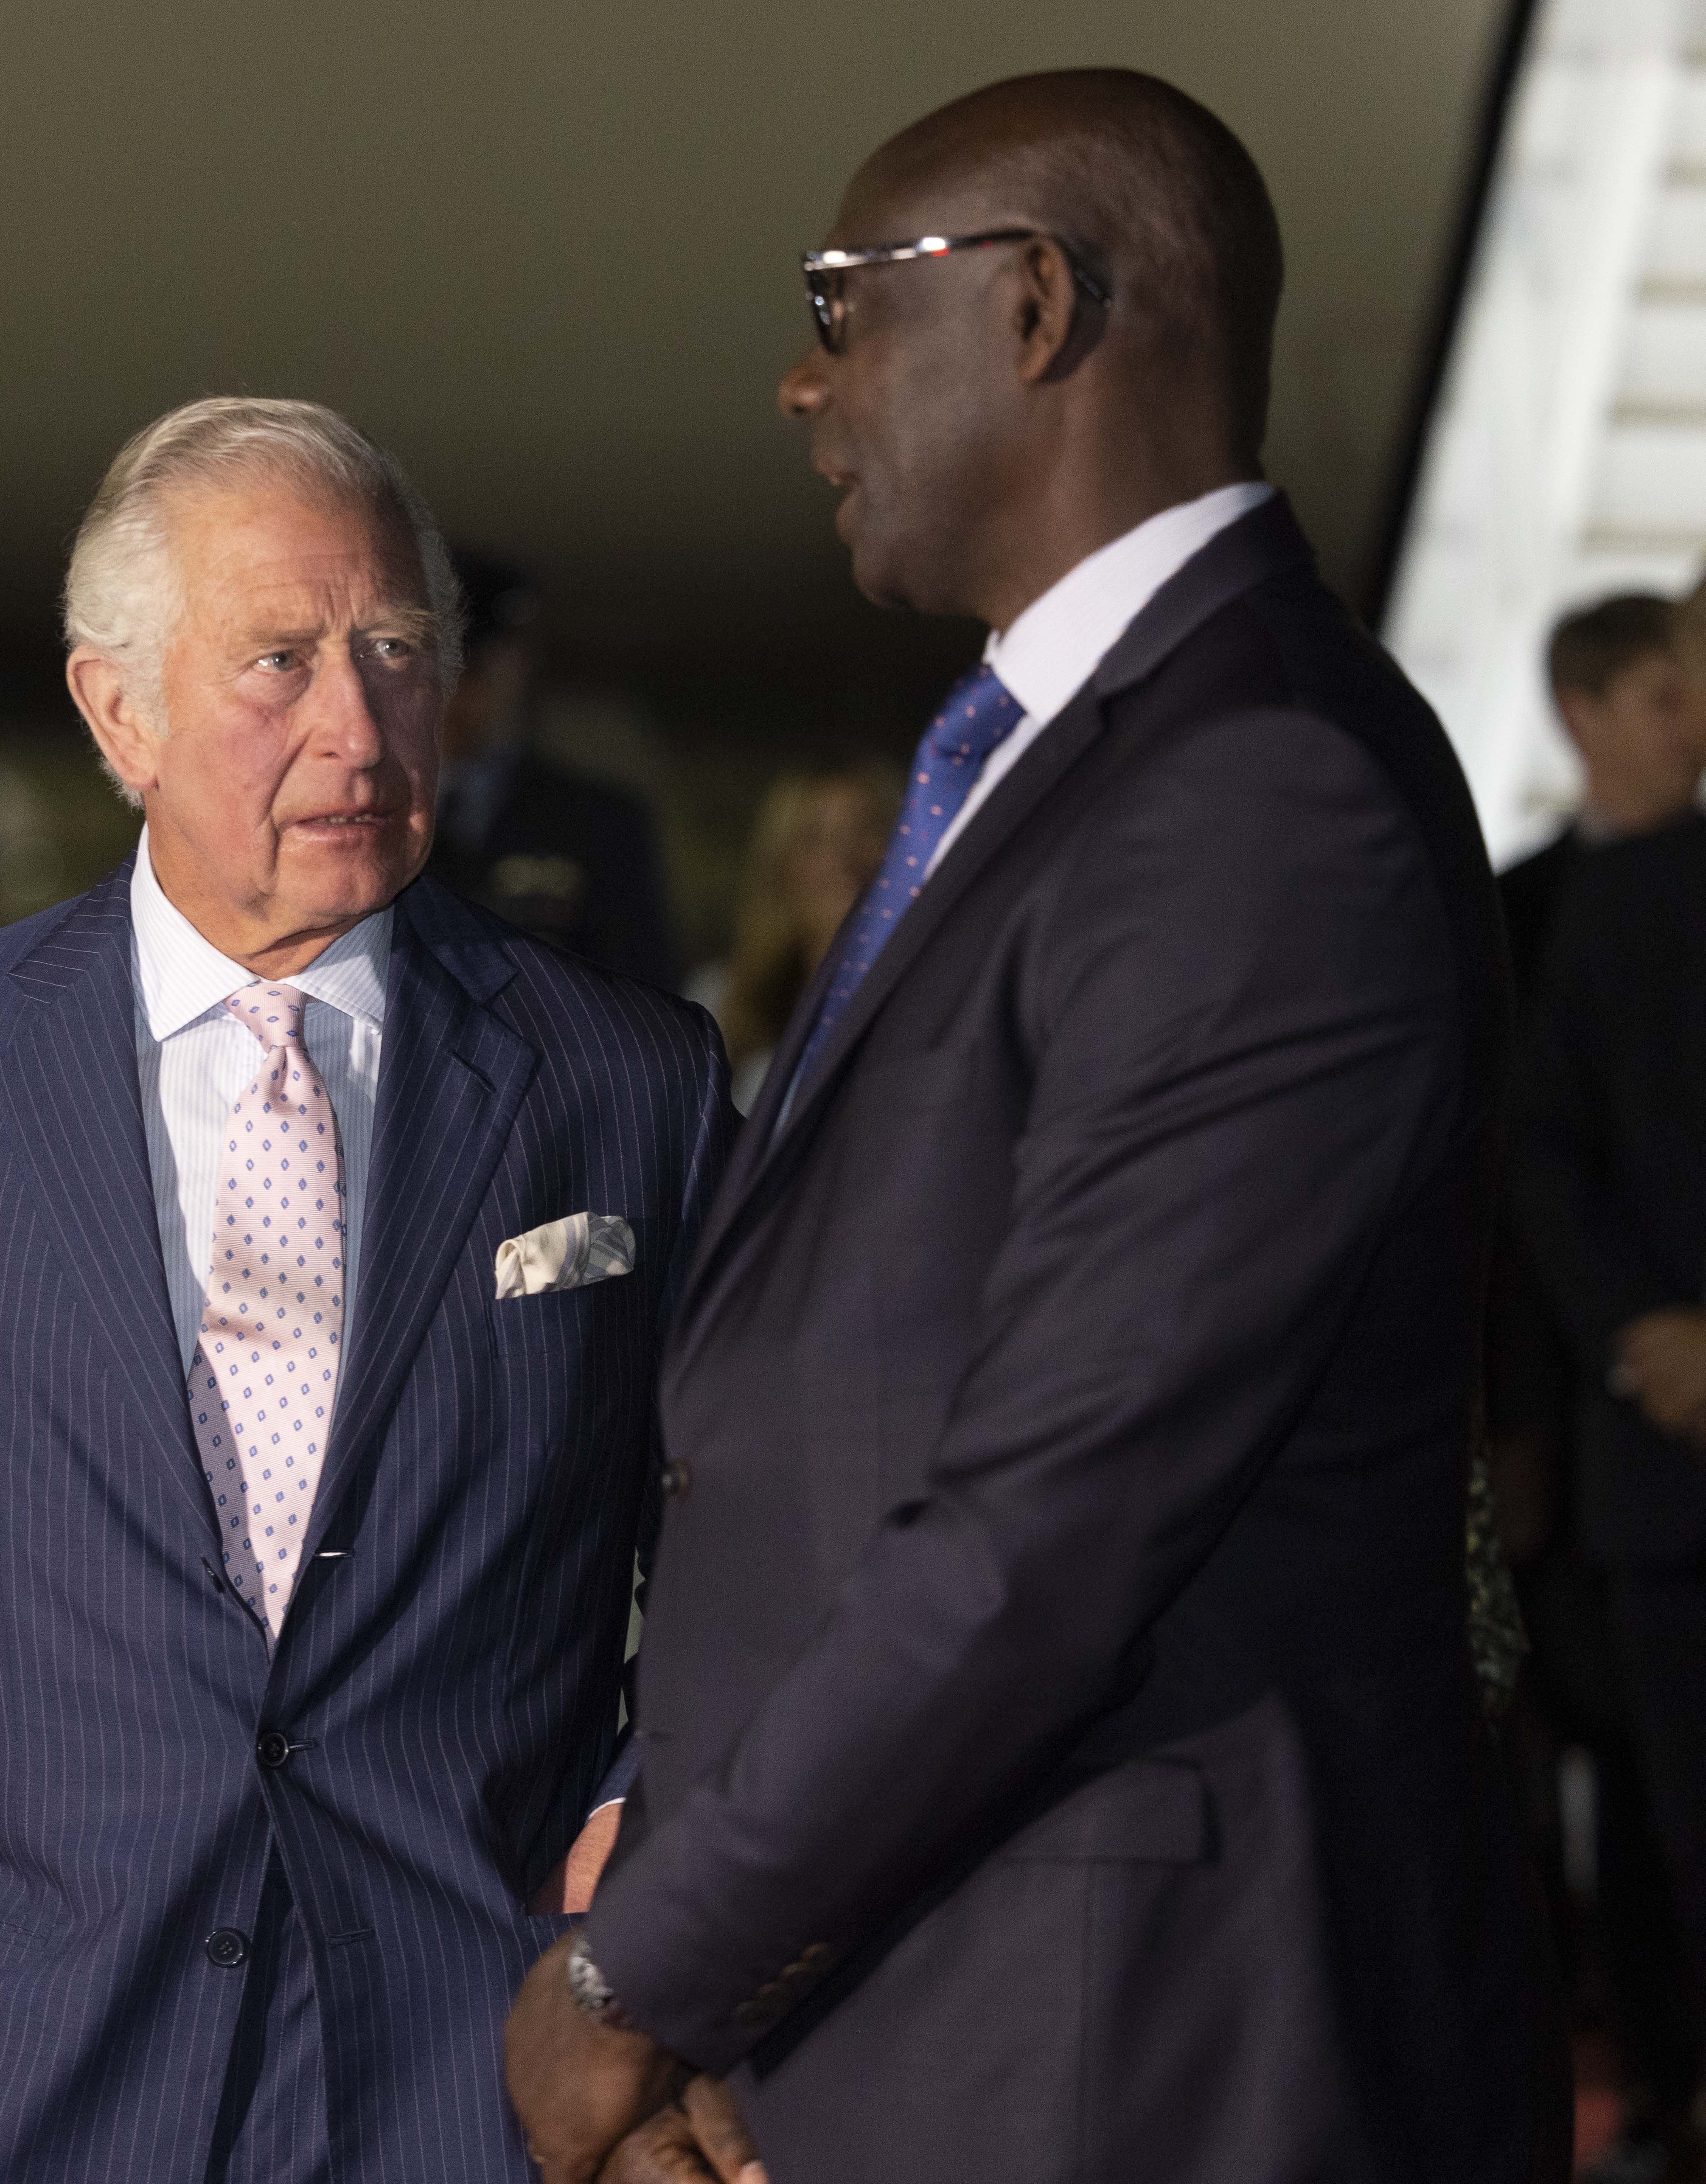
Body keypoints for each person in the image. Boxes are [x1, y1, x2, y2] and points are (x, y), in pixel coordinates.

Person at [507, 67, 1552, 2184]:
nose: (805, 391)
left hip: (1118, 2053)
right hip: (915, 1994)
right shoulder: (1062, 756)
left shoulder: (1259, 789)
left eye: (839, 308)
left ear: (1035, 307)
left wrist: (634, 1978)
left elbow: (1049, 1518)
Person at [0, 399, 733, 2182]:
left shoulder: (619, 1079)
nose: (354, 725)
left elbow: (740, 1535)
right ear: (118, 707)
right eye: (277, 660)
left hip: (447, 2072)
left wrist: (623, 1827)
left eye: (395, 651)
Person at [1493, 595, 1705, 2182]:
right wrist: (1636, 1331)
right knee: (1650, 1802)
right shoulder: (1586, 906)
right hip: (1637, 1445)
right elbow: (1530, 1158)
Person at [425, 549, 680, 989]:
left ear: (515, 667)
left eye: (473, 667)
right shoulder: (363, 812)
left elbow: (644, 991)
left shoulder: (598, 824)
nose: (455, 690)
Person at [687, 762, 898, 1112]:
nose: (841, 858)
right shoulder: (718, 998)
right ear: (781, 864)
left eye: (863, 830)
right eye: (815, 839)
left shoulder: (924, 993)